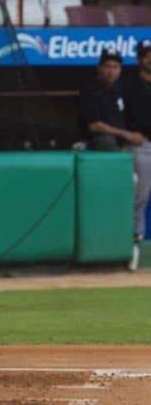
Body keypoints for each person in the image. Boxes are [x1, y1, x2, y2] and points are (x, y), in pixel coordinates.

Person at [123, 42, 151, 271]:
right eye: (146, 56)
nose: (150, 59)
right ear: (139, 59)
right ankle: (134, 248)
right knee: (139, 199)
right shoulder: (130, 84)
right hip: (142, 145)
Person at [79, 49, 141, 150]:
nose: (111, 71)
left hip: (122, 137)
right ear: (99, 68)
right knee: (107, 141)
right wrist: (127, 134)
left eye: (115, 67)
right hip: (99, 138)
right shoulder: (90, 90)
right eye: (107, 66)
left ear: (120, 70)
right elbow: (94, 126)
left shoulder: (121, 88)